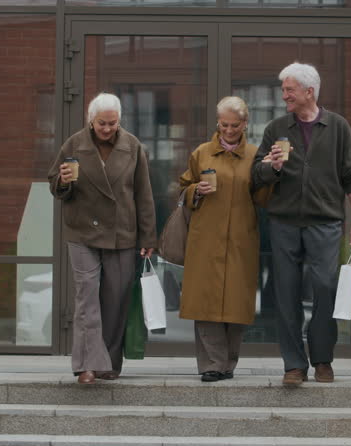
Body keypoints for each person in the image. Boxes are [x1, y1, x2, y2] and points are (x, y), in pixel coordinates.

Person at [251, 62, 351, 386]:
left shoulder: (338, 126)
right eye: (284, 89)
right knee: (285, 294)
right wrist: (270, 166)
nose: (284, 95)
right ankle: (294, 365)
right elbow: (255, 176)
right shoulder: (276, 128)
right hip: (284, 223)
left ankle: (323, 359)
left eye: (289, 89)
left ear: (309, 92)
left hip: (326, 223)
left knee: (325, 290)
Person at [48, 92, 156, 385]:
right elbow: (55, 186)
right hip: (82, 232)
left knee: (116, 300)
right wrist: (63, 181)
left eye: (112, 123)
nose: (107, 129)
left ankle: (108, 362)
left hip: (122, 234)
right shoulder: (74, 144)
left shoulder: (133, 147)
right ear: (90, 120)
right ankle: (86, 365)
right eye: (102, 123)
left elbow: (143, 196)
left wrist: (148, 236)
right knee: (87, 299)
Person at [178, 96, 265, 382]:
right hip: (205, 238)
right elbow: (182, 189)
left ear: (245, 124)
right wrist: (196, 191)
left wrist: (274, 173)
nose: (228, 130)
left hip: (241, 238)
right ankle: (211, 365)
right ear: (218, 122)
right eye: (224, 124)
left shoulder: (255, 156)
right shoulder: (202, 153)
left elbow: (264, 198)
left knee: (236, 303)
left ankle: (228, 364)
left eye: (235, 125)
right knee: (205, 301)